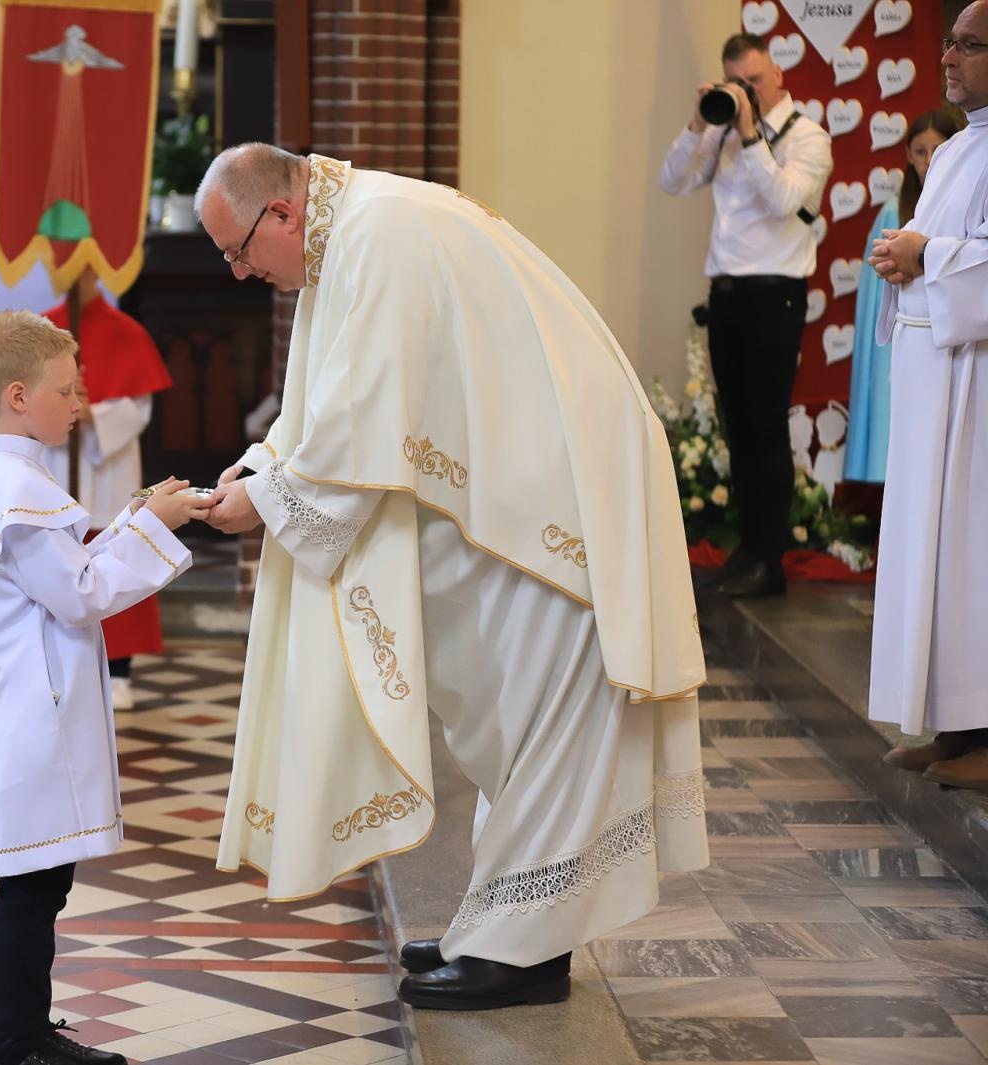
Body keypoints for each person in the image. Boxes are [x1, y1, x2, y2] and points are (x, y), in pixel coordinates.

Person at [195, 144, 709, 1011]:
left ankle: (517, 951)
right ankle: (513, 931)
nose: (241, 272)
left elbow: (364, 416)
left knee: (549, 718)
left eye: (239, 251)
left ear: (280, 214)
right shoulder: (350, 231)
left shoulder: (378, 233)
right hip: (524, 491)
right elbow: (334, 399)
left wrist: (271, 499)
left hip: (563, 501)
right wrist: (263, 471)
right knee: (518, 726)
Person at [0, 310, 207, 1065]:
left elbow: (65, 568)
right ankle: (15, 1042)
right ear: (19, 395)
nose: (81, 399)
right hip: (29, 717)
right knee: (32, 887)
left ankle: (22, 1030)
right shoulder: (18, 490)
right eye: (67, 388)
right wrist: (154, 530)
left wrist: (137, 518)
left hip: (20, 708)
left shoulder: (9, 476)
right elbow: (81, 592)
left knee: (39, 883)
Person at [660, 33, 834, 597]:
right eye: (737, 81)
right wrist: (699, 123)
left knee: (765, 428)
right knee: (739, 429)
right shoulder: (721, 131)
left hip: (775, 295)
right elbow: (672, 181)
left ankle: (770, 560)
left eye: (754, 81)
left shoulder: (808, 136)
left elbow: (786, 201)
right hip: (728, 296)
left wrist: (751, 135)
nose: (747, 92)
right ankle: (749, 551)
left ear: (776, 76)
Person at [868, 3, 988, 788]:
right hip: (933, 381)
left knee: (971, 555)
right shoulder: (955, 151)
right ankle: (950, 727)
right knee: (936, 553)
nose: (948, 56)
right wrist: (899, 251)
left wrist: (925, 251)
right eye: (949, 41)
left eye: (969, 45)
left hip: (976, 388)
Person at [43, 269, 174, 709]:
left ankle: (119, 671)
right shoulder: (40, 330)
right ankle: (62, 665)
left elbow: (137, 408)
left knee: (117, 553)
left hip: (109, 470)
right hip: (58, 464)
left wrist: (93, 413)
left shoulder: (127, 332)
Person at [847, 109, 965, 483]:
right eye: (919, 151)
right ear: (908, 155)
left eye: (939, 149)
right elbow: (874, 307)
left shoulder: (964, 205)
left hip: (951, 337)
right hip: (903, 338)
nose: (929, 161)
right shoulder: (891, 213)